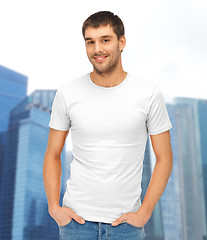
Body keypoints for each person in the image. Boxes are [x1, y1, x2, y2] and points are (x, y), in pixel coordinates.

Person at [43, 11, 173, 240]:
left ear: (121, 42)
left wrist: (144, 213)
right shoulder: (67, 93)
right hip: (76, 225)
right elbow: (53, 153)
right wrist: (54, 208)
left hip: (127, 227)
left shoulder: (149, 94)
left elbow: (164, 157)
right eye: (90, 42)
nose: (97, 49)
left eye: (105, 40)